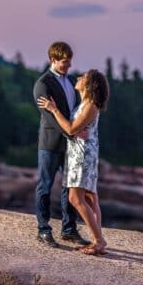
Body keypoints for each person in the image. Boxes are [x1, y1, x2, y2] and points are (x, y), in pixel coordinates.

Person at [37, 69, 110, 255]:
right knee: (89, 199)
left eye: (83, 77)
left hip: (82, 155)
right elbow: (74, 129)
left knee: (76, 198)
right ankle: (97, 240)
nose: (78, 78)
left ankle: (99, 241)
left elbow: (70, 128)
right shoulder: (85, 103)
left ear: (89, 85)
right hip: (81, 153)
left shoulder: (90, 106)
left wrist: (53, 109)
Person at [32, 42, 89, 247]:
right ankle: (43, 229)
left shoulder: (71, 81)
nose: (69, 65)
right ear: (53, 59)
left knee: (70, 186)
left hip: (71, 144)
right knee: (45, 185)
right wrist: (72, 133)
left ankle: (69, 229)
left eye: (70, 61)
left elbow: (76, 111)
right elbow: (49, 118)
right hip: (50, 144)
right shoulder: (43, 84)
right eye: (65, 62)